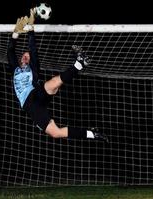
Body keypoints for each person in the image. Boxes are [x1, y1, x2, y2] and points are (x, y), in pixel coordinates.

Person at [7, 10, 108, 142]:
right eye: (24, 55)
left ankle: (79, 64)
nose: (26, 56)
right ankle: (92, 134)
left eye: (28, 56)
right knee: (55, 132)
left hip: (36, 93)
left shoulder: (33, 68)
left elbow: (32, 49)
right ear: (21, 59)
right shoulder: (16, 69)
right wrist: (16, 33)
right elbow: (10, 51)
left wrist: (31, 29)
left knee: (54, 84)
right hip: (30, 105)